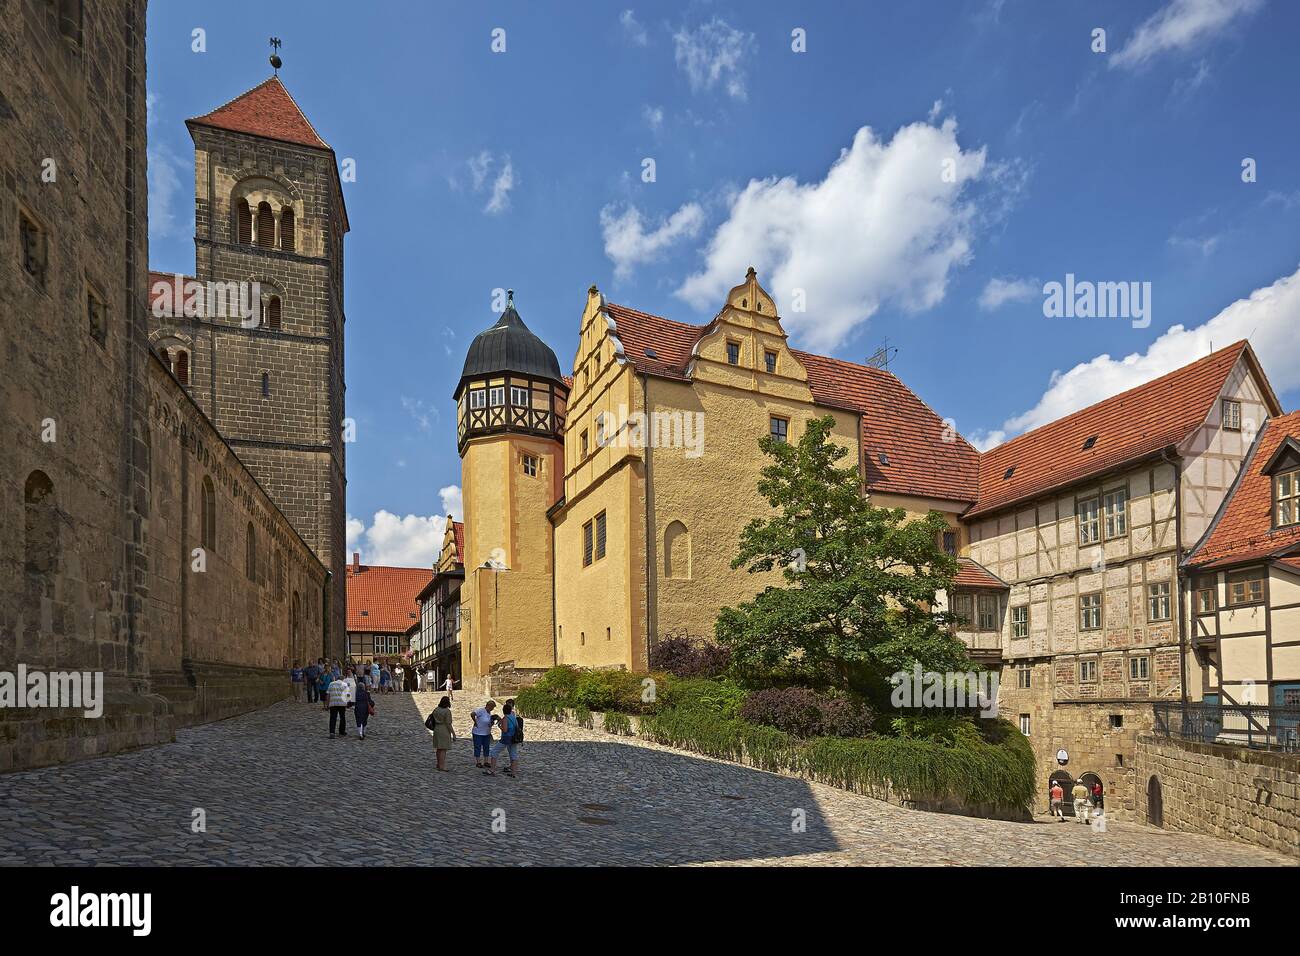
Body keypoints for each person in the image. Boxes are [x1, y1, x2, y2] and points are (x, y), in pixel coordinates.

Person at [484, 699, 520, 778]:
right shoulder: (513, 716)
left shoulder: (505, 719)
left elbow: (505, 730)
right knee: (513, 755)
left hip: (506, 739)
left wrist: (500, 726)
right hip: (514, 738)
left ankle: (492, 770)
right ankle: (513, 773)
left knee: (494, 752)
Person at [470, 700, 497, 769]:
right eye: (492, 707)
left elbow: (488, 723)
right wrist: (475, 721)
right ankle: (478, 762)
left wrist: (491, 723)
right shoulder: (481, 710)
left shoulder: (489, 713)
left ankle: (486, 761)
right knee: (477, 747)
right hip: (478, 733)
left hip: (486, 733)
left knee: (486, 747)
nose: (493, 709)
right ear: (489, 706)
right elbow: (472, 714)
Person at [430, 696, 455, 771]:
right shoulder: (447, 711)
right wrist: (453, 733)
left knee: (439, 748)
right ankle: (442, 766)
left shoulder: (436, 709)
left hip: (437, 729)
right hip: (444, 730)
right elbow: (448, 724)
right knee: (443, 749)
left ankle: (438, 764)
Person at [327, 672, 350, 738]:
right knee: (342, 717)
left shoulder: (331, 684)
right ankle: (342, 731)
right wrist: (347, 703)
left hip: (333, 703)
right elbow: (348, 694)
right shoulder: (345, 684)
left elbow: (328, 694)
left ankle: (332, 732)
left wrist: (327, 704)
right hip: (342, 703)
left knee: (333, 718)